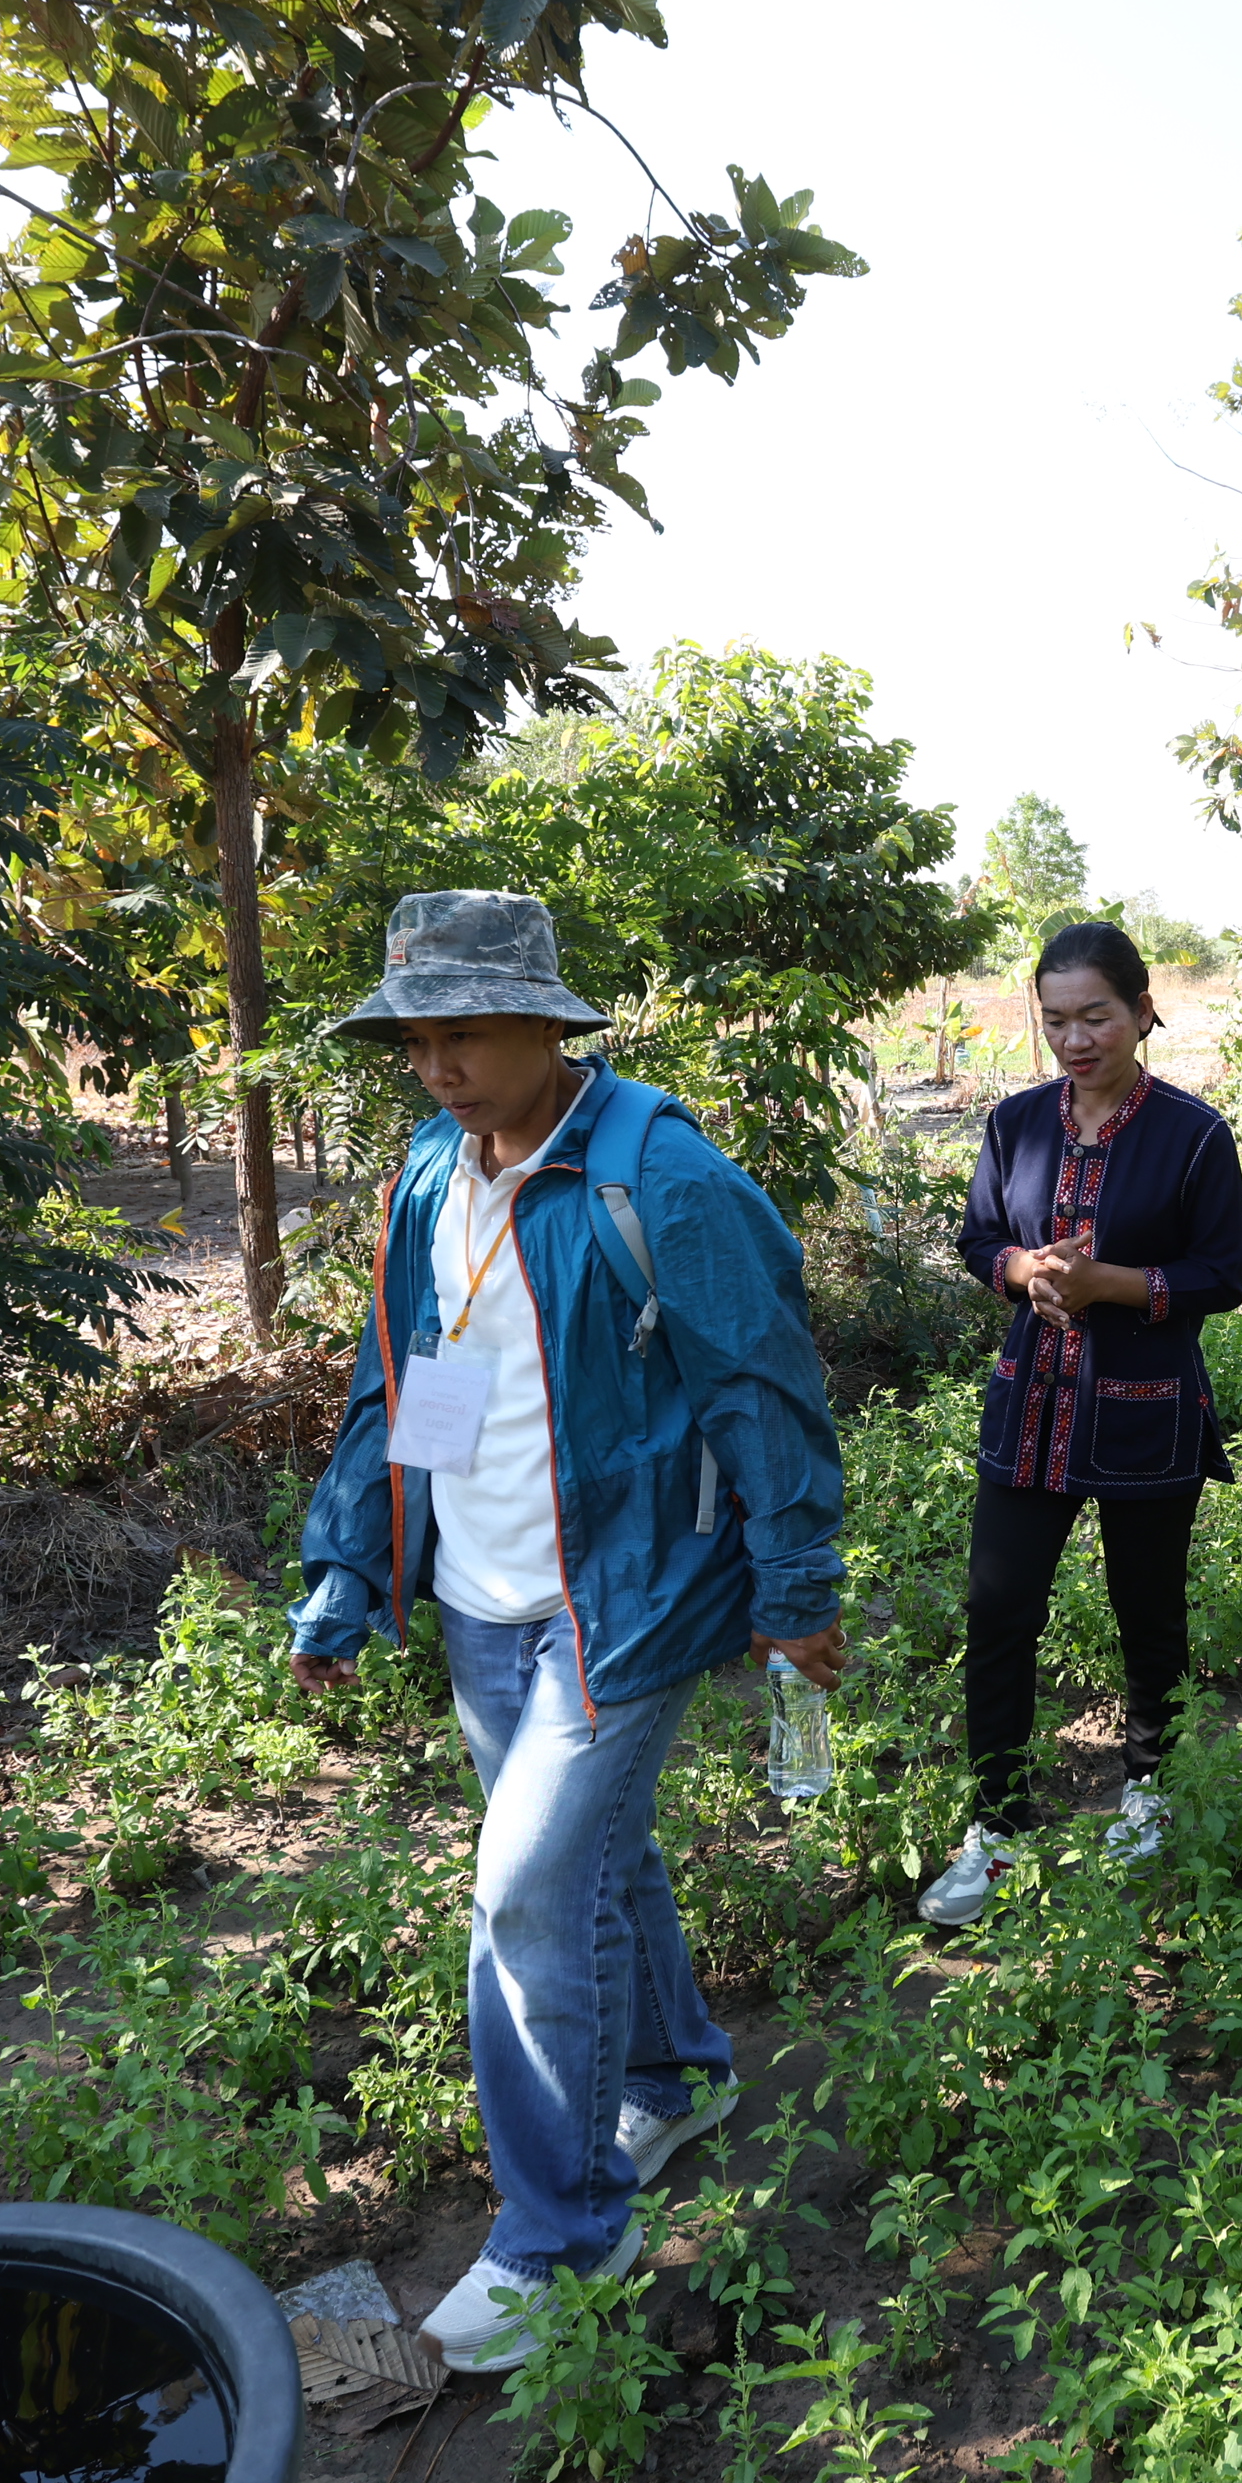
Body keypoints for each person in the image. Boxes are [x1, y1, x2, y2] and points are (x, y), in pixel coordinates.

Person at [287, 890, 847, 2374]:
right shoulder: (431, 1168)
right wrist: (348, 1563)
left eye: (464, 1031)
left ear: (548, 1023)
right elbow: (396, 1374)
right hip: (480, 1598)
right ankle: (672, 2074)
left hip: (629, 1603)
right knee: (602, 1863)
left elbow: (764, 1384)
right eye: (417, 1037)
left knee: (527, 1898)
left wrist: (798, 1592)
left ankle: (564, 2231)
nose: (437, 1063)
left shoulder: (659, 1174)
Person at [926, 922, 1242, 1927]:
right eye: (1056, 1018)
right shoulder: (1013, 1124)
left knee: (1147, 1613)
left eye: (1095, 1015)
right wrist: (1022, 1271)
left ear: (1142, 1009)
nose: (1075, 1038)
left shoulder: (1194, 1136)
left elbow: (1222, 1275)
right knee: (999, 1614)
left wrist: (1112, 1282)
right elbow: (981, 1234)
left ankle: (1149, 1786)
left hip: (1145, 1413)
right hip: (1032, 1409)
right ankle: (998, 1824)